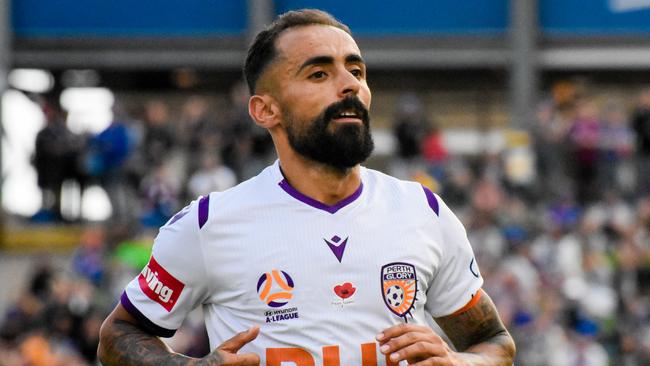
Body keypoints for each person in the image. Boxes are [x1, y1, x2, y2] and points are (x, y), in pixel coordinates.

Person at [98, 9, 515, 365]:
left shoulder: (422, 210)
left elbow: (495, 342)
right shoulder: (210, 223)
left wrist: (460, 360)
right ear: (266, 110)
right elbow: (118, 335)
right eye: (319, 73)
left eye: (356, 70)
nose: (349, 84)